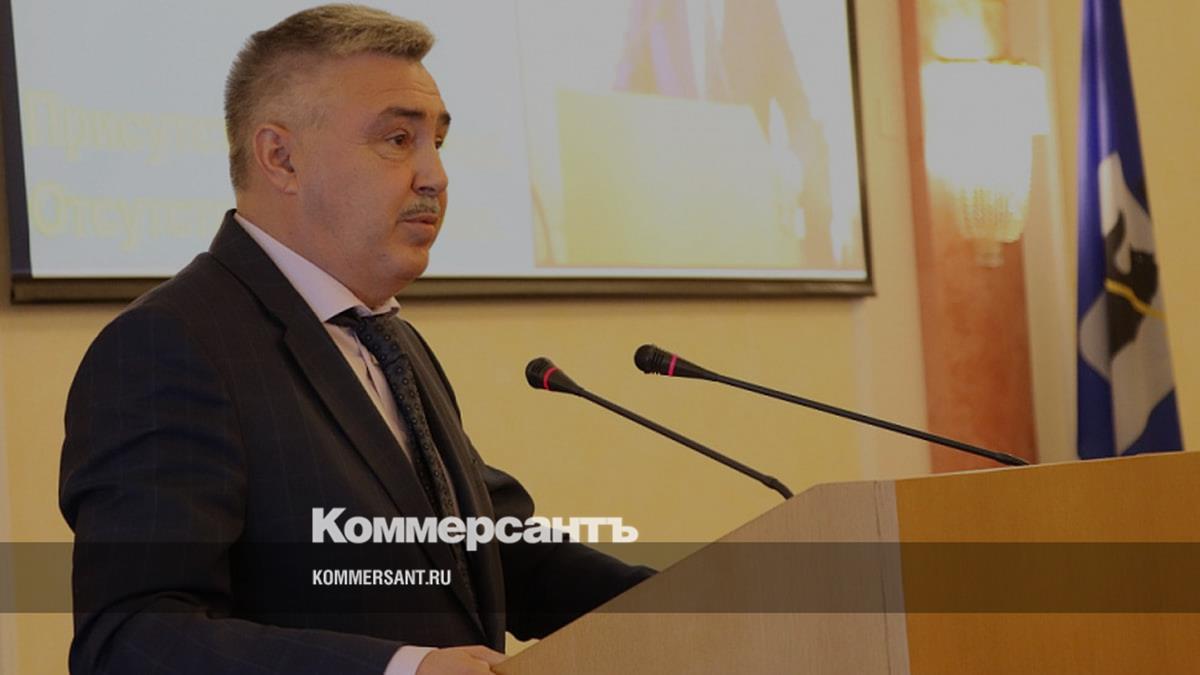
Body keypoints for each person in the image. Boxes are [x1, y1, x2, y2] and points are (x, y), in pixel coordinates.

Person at [59, 5, 652, 674]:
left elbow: (486, 550)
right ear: (280, 157)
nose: (435, 175)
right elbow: (132, 639)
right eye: (398, 139)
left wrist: (690, 606)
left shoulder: (387, 339)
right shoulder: (168, 346)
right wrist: (401, 669)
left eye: (438, 141)